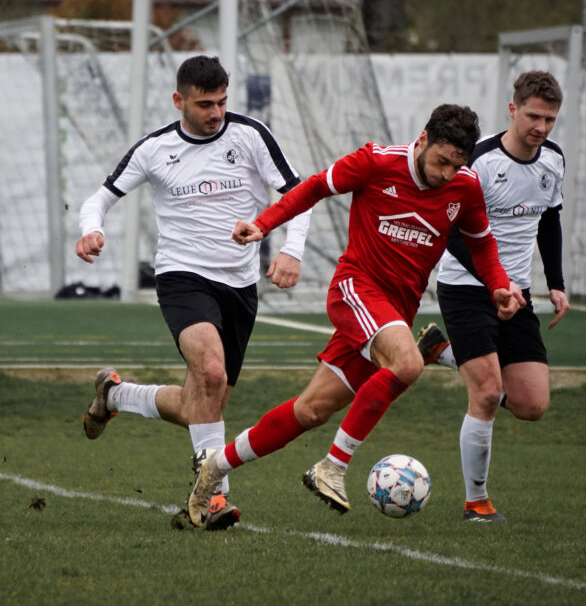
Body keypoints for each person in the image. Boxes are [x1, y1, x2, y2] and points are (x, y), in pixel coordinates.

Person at [186, 104, 525, 527]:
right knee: (408, 363)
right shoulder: (376, 162)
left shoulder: (465, 187)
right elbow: (314, 187)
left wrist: (498, 284)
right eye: (441, 161)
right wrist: (265, 224)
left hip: (393, 314)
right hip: (356, 290)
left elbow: (481, 243)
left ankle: (215, 467)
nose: (446, 174)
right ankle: (333, 466)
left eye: (456, 165)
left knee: (310, 411)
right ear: (422, 140)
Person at [75, 55, 311, 531]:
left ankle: (116, 396)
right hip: (182, 277)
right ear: (178, 100)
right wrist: (90, 229)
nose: (216, 112)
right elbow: (99, 198)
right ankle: (213, 496)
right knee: (211, 372)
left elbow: (298, 194)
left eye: (222, 102)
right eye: (205, 104)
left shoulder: (250, 135)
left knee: (202, 405)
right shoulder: (155, 148)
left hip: (240, 285)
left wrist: (292, 250)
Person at [415, 71, 568, 523]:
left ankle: (441, 351)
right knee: (486, 394)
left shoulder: (553, 159)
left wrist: (556, 283)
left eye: (550, 119)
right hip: (466, 288)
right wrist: (493, 282)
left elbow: (550, 221)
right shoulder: (478, 161)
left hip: (517, 294)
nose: (541, 127)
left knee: (531, 405)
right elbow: (450, 231)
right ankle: (476, 503)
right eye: (533, 116)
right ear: (512, 109)